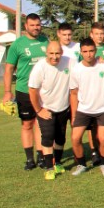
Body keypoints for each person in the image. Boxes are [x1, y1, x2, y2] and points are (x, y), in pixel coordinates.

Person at [3, 13, 49, 170]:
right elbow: (9, 69)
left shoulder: (45, 41)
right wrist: (7, 91)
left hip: (42, 91)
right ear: (26, 26)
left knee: (41, 123)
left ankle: (41, 157)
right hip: (24, 90)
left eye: (38, 25)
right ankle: (30, 159)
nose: (36, 28)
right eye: (32, 25)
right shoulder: (17, 44)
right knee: (27, 124)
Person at [69, 38, 104, 176]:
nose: (88, 54)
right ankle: (81, 165)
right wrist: (74, 115)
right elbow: (73, 93)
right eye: (85, 51)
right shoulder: (76, 69)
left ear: (95, 51)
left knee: (103, 138)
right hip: (84, 109)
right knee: (75, 138)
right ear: (81, 52)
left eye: (91, 51)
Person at [28, 41, 71, 180]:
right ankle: (49, 168)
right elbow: (32, 90)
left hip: (63, 108)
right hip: (46, 109)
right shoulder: (40, 67)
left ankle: (57, 163)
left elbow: (84, 66)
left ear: (62, 53)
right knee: (47, 137)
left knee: (60, 138)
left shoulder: (69, 62)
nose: (54, 57)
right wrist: (39, 110)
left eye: (57, 53)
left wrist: (99, 60)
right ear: (46, 53)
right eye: (51, 53)